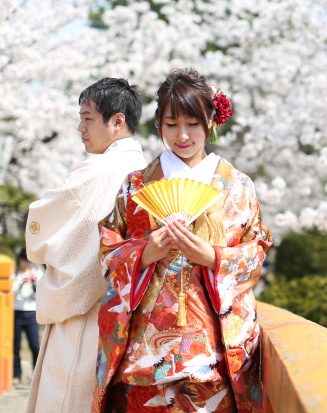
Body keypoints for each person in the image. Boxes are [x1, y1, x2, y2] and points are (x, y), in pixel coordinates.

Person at [93, 69, 272, 413]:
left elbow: (256, 249)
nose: (183, 135)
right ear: (158, 124)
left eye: (193, 123)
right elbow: (107, 247)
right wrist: (144, 253)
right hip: (145, 352)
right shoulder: (136, 186)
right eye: (171, 124)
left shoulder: (237, 186)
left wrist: (214, 257)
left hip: (213, 351)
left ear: (211, 120)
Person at [25, 78, 146, 413]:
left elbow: (41, 224)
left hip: (84, 311)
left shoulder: (100, 169)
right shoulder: (146, 170)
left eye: (88, 117)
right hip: (125, 314)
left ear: (117, 121)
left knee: (67, 397)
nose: (81, 127)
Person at [12, 248, 42, 385]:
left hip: (31, 312)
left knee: (34, 345)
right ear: (19, 260)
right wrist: (22, 283)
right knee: (15, 346)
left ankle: (36, 375)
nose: (27, 264)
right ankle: (16, 375)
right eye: (25, 260)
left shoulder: (37, 273)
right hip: (16, 311)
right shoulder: (14, 274)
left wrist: (33, 286)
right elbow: (11, 292)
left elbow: (41, 294)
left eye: (29, 261)